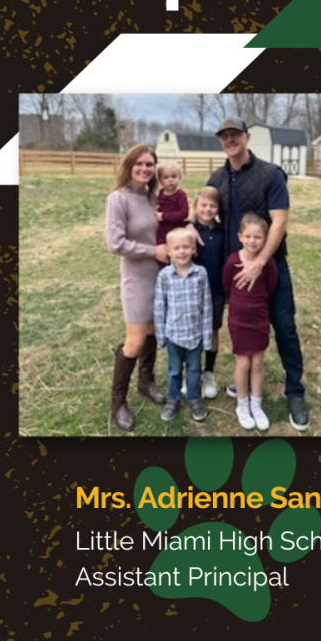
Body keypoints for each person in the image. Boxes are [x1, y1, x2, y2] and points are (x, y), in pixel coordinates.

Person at [206, 116, 309, 432]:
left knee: (285, 327)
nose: (230, 140)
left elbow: (280, 221)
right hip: (235, 270)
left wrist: (261, 262)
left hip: (270, 267)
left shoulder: (270, 175)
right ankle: (243, 382)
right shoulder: (217, 179)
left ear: (247, 137)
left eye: (235, 134)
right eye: (225, 136)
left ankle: (295, 392)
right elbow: (205, 215)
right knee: (241, 328)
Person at [105, 144, 168, 432]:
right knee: (134, 341)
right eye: (139, 163)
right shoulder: (118, 199)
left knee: (153, 331)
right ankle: (117, 401)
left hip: (161, 276)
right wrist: (153, 251)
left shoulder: (154, 197)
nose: (144, 169)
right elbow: (115, 243)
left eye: (149, 164)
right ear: (129, 166)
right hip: (137, 278)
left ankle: (146, 382)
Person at [223, 214, 277, 431]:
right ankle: (242, 404)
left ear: (265, 239)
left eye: (258, 237)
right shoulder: (232, 261)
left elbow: (271, 287)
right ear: (240, 236)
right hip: (239, 320)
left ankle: (256, 403)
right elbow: (227, 285)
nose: (252, 241)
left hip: (259, 318)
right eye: (248, 236)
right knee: (243, 362)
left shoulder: (267, 263)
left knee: (258, 363)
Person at [153, 227, 213, 423]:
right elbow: (160, 306)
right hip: (174, 335)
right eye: (176, 248)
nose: (181, 252)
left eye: (186, 247)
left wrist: (207, 337)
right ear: (169, 251)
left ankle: (194, 398)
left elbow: (207, 305)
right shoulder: (165, 276)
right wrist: (161, 336)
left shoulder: (200, 273)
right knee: (174, 370)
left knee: (194, 369)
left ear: (193, 249)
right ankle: (173, 398)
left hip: (195, 335)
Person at [191, 186, 225, 399]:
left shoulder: (222, 231)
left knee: (213, 330)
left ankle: (209, 373)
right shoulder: (190, 231)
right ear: (195, 207)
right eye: (203, 205)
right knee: (193, 331)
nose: (208, 209)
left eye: (213, 205)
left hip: (216, 290)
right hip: (193, 292)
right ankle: (191, 373)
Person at [154, 160, 189, 246]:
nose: (170, 180)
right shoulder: (160, 193)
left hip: (176, 229)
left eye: (174, 176)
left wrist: (164, 216)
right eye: (166, 177)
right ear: (160, 180)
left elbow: (183, 214)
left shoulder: (180, 195)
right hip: (162, 230)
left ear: (179, 177)